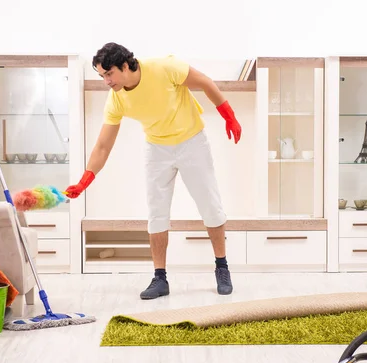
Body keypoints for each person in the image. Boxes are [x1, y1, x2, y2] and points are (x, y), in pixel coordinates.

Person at [65, 42, 242, 300]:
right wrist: (84, 181)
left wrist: (229, 114)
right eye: (101, 75)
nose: (106, 81)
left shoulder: (164, 67)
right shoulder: (116, 99)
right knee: (156, 213)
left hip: (192, 141)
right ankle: (160, 278)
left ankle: (222, 267)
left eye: (109, 73)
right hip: (157, 148)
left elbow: (204, 81)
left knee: (210, 206)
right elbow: (103, 146)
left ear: (125, 65)